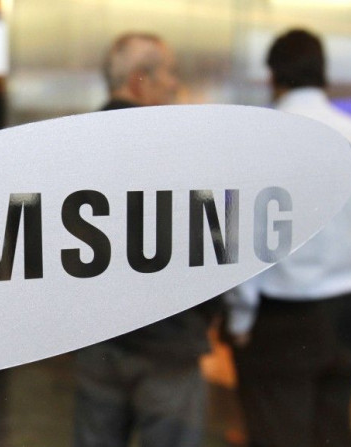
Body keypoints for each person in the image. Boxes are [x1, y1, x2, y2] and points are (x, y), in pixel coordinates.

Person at [225, 29, 351, 447]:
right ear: (323, 74)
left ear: (274, 75)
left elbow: (242, 243)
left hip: (279, 321)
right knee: (332, 436)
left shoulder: (259, 142)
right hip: (344, 313)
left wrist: (240, 318)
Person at [73, 32, 218, 447]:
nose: (175, 84)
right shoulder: (178, 147)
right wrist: (210, 314)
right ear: (140, 80)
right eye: (169, 73)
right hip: (168, 345)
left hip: (94, 340)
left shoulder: (69, 148)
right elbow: (207, 236)